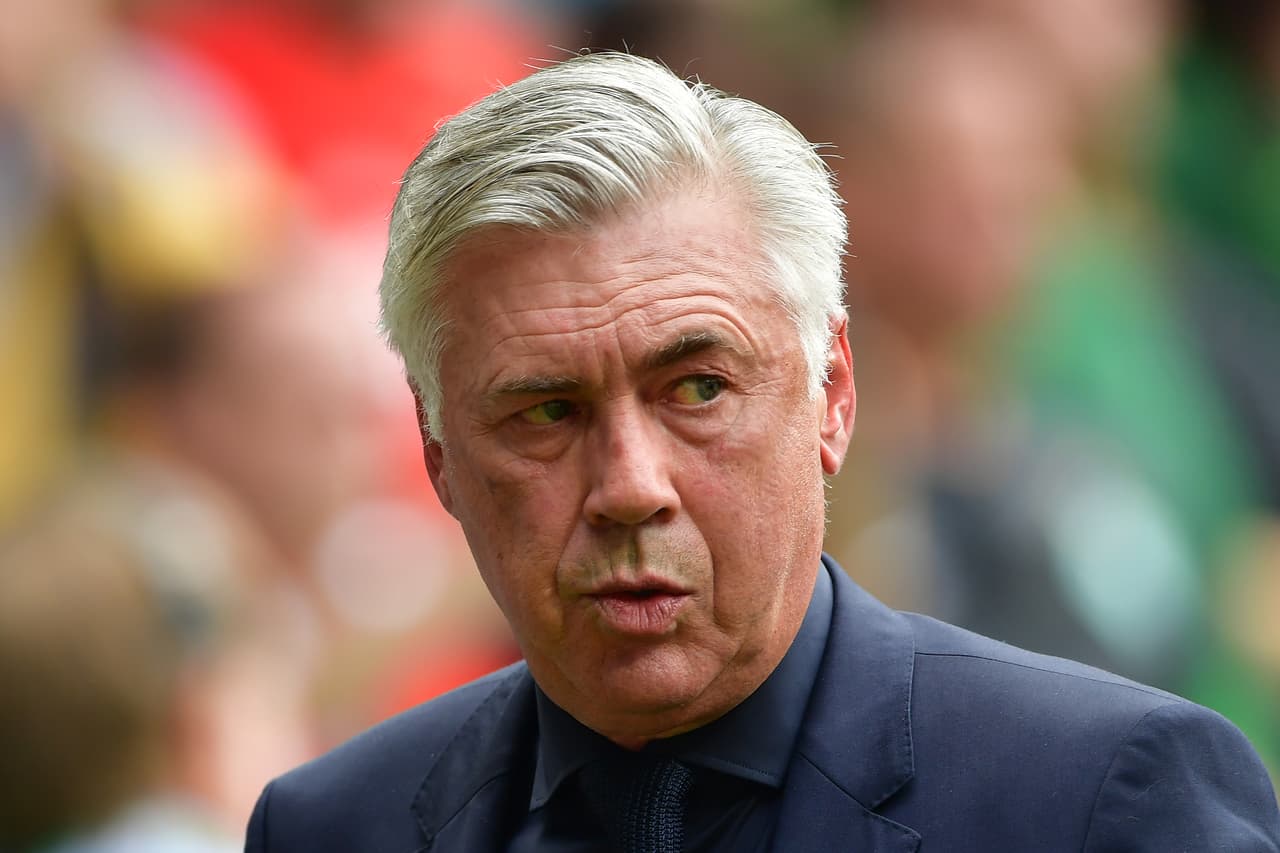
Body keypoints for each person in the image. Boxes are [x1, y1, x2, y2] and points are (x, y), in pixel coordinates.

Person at [244, 52, 1280, 851]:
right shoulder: (338, 826)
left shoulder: (1097, 797)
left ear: (831, 396)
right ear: (435, 458)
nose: (629, 487)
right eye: (544, 413)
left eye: (696, 389)